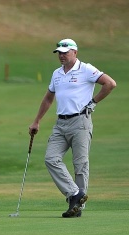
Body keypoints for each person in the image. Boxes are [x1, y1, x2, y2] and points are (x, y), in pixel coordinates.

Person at [29, 38, 116, 218]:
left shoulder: (86, 69)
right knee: (51, 159)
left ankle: (76, 208)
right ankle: (75, 194)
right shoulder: (57, 74)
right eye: (59, 52)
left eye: (65, 52)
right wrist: (36, 121)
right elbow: (48, 98)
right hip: (60, 123)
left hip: (80, 122)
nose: (61, 55)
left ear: (74, 52)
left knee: (80, 164)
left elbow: (110, 83)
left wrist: (93, 102)